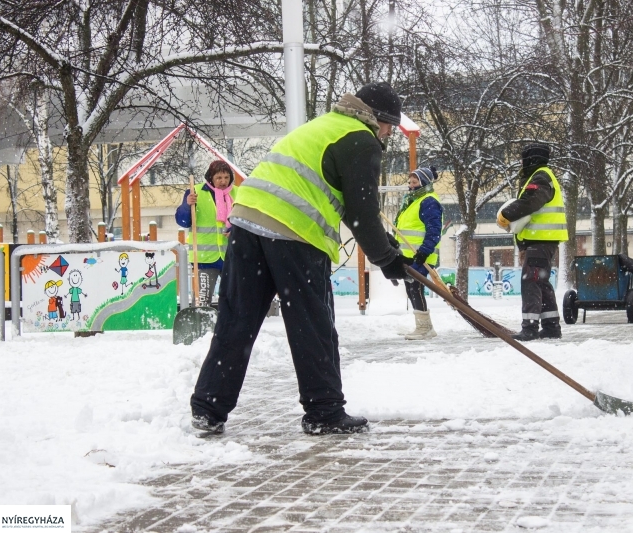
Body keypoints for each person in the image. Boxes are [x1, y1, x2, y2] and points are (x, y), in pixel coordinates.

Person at [189, 82, 411, 435]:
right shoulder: (361, 139)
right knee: (312, 324)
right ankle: (324, 411)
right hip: (295, 234)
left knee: (237, 321)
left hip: (247, 224)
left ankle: (208, 407)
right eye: (390, 126)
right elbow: (363, 214)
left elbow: (359, 210)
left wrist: (387, 249)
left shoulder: (322, 127)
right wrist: (387, 259)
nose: (389, 134)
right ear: (378, 119)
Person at [497, 143, 568, 341]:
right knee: (541, 282)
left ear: (531, 158)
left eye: (523, 158)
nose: (521, 162)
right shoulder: (541, 175)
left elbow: (531, 202)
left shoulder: (541, 176)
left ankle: (529, 327)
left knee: (531, 281)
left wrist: (506, 214)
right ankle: (551, 326)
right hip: (541, 240)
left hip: (541, 239)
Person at [175, 160, 238, 307]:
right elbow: (183, 221)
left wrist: (235, 230)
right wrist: (187, 205)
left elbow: (246, 220)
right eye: (219, 178)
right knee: (203, 300)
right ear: (211, 178)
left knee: (234, 298)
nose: (223, 182)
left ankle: (229, 326)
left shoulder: (238, 193)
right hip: (204, 258)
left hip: (232, 256)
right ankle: (204, 326)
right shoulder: (195, 193)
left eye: (226, 177)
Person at [393, 165, 443, 340]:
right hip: (408, 255)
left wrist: (423, 252)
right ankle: (422, 326)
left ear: (424, 183)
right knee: (411, 288)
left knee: (415, 287)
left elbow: (434, 231)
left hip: (421, 255)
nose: (411, 185)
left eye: (415, 182)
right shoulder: (411, 201)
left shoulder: (428, 201)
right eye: (410, 181)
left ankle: (425, 328)